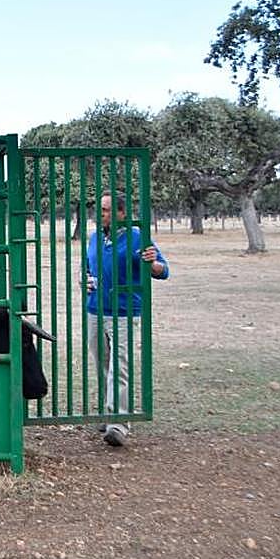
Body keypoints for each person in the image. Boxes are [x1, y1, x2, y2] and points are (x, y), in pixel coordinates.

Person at [85, 192, 169, 447]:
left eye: (106, 210)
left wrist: (153, 263)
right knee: (104, 364)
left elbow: (163, 271)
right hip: (95, 310)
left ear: (122, 213)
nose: (100, 214)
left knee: (120, 367)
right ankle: (110, 410)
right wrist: (86, 281)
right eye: (99, 209)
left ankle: (118, 425)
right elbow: (88, 267)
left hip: (124, 311)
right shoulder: (95, 237)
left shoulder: (136, 238)